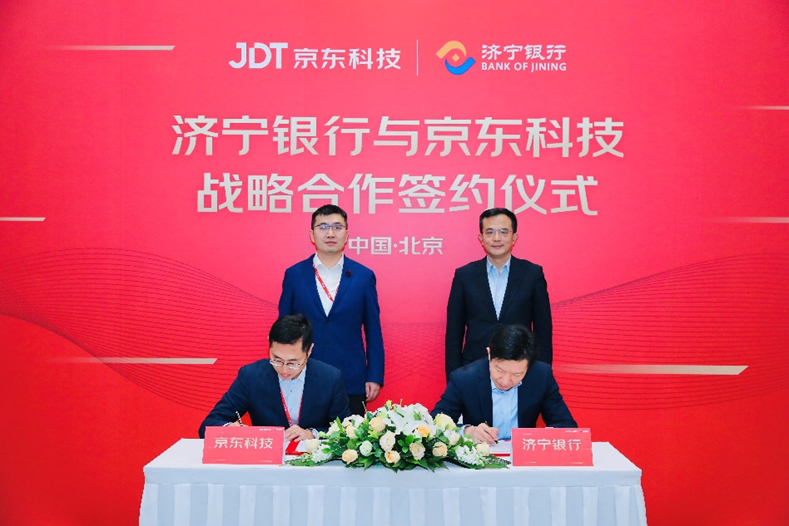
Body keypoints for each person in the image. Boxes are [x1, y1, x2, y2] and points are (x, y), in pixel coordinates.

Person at [278, 204, 385, 415]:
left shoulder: (363, 276)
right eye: (323, 227)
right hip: (303, 376)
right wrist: (284, 369)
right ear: (312, 234)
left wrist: (374, 375)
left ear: (346, 234)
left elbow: (373, 331)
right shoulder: (295, 275)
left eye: (337, 227)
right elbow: (283, 330)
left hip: (351, 379)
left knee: (350, 436)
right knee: (303, 434)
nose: (330, 233)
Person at [198, 314, 350, 440]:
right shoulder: (251, 376)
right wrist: (228, 429)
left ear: (309, 351)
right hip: (266, 460)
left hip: (312, 461)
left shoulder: (330, 378)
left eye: (293, 363)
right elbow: (208, 425)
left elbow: (344, 431)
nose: (284, 369)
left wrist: (312, 434)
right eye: (276, 360)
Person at [445, 207, 553, 379]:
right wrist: (454, 378)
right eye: (490, 232)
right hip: (474, 370)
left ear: (514, 237)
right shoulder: (464, 275)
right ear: (481, 238)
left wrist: (541, 376)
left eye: (503, 232)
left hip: (520, 370)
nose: (497, 238)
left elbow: (543, 332)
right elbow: (454, 334)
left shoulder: (532, 274)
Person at [432, 324, 575, 445]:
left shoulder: (541, 375)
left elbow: (566, 425)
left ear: (529, 366)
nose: (506, 381)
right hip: (482, 458)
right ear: (489, 354)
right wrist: (467, 431)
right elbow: (434, 425)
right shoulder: (464, 379)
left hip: (524, 458)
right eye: (499, 370)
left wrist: (540, 438)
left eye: (517, 374)